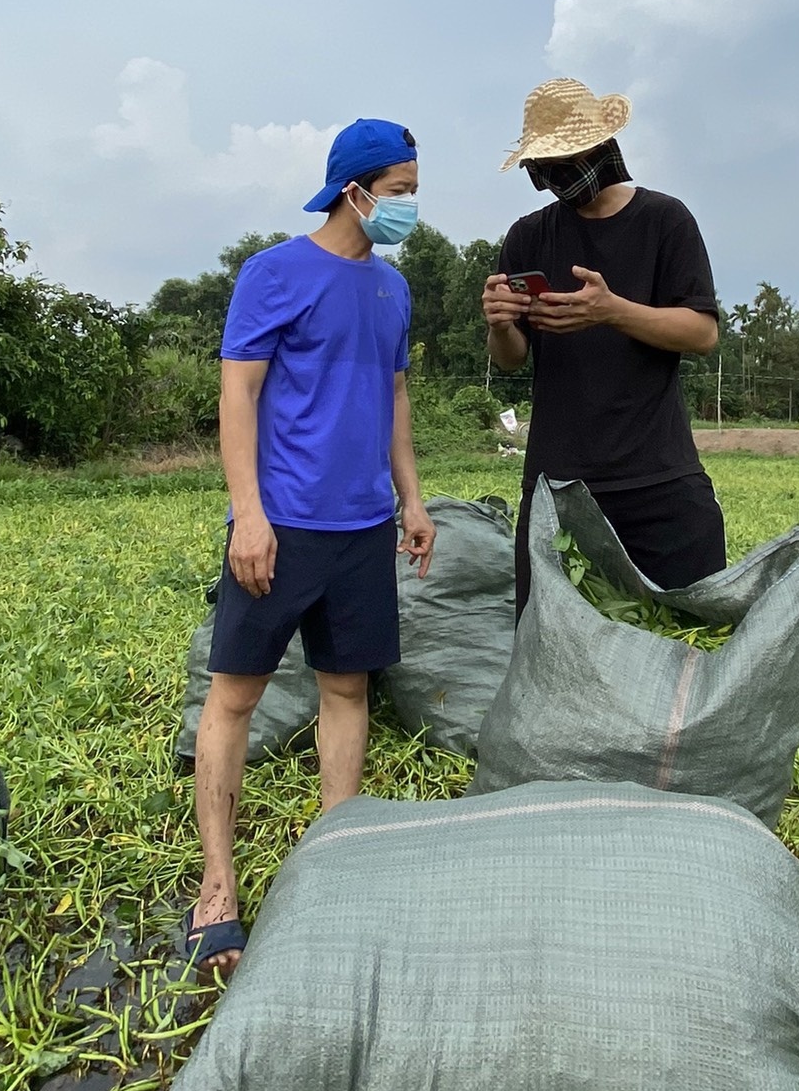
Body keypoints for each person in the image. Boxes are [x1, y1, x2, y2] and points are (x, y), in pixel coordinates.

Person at [187, 118, 436, 977]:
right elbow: (239, 397)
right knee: (234, 699)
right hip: (282, 526)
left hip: (362, 529)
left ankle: (335, 864)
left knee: (346, 690)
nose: (409, 206)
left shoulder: (392, 291)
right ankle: (218, 888)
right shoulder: (274, 273)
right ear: (355, 188)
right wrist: (247, 513)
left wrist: (411, 499)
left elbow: (395, 402)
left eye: (412, 190)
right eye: (400, 190)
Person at [482, 77, 723, 612]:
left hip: (658, 477)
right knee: (549, 648)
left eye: (563, 158)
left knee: (689, 641)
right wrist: (500, 323)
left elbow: (701, 333)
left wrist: (612, 310)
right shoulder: (528, 236)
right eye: (541, 165)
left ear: (601, 147)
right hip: (558, 482)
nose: (552, 176)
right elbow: (512, 357)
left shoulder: (665, 221)